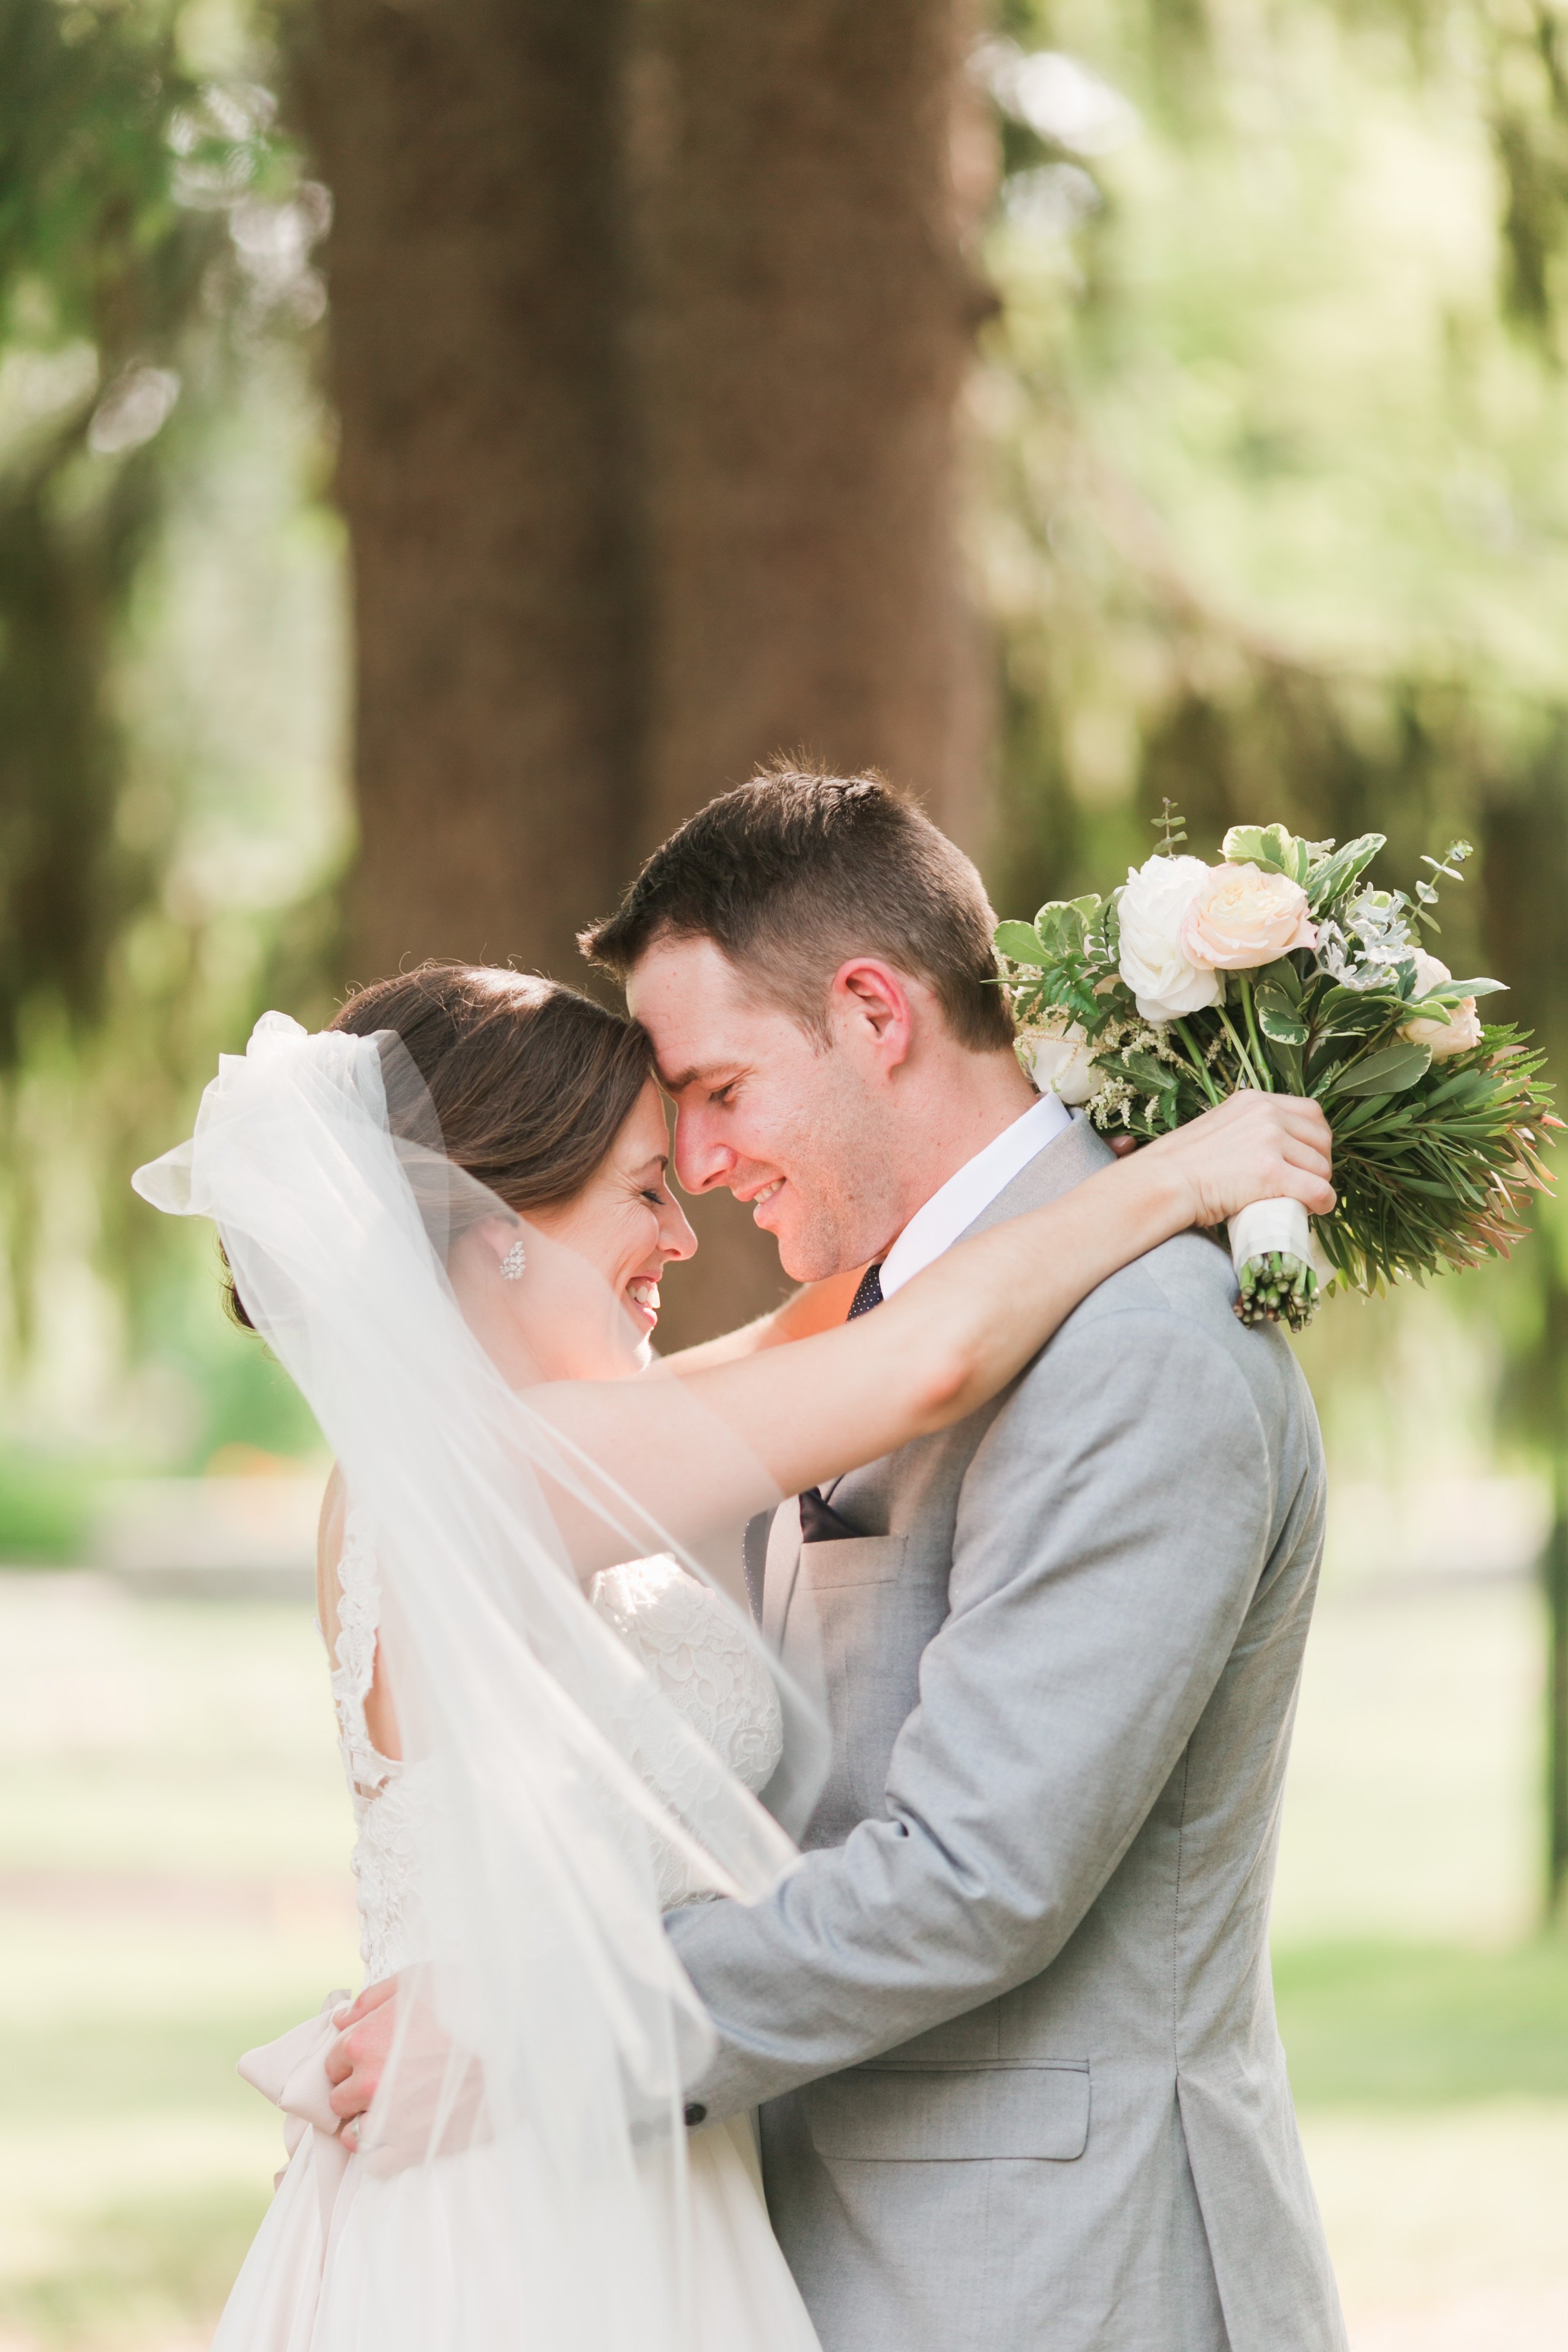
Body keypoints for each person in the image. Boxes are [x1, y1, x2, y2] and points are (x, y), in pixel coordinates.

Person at [137, 946, 1332, 2352]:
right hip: (525, 2203)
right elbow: (918, 1364)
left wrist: (1057, 1138)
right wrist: (1179, 1179)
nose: (685, 1233)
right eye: (646, 1190)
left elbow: (821, 1323)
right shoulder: (504, 1477)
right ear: (495, 1222)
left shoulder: (515, 1456)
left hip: (634, 2159)